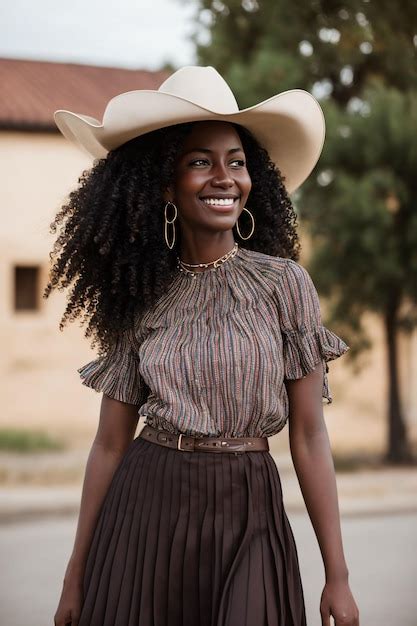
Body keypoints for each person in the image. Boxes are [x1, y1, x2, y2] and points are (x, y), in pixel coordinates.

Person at [49, 66, 360, 626]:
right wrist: (76, 575)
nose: (224, 177)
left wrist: (337, 576)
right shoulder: (142, 296)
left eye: (236, 162)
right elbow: (109, 446)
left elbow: (310, 436)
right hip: (147, 507)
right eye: (200, 161)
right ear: (164, 184)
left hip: (251, 508)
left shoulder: (283, 285)